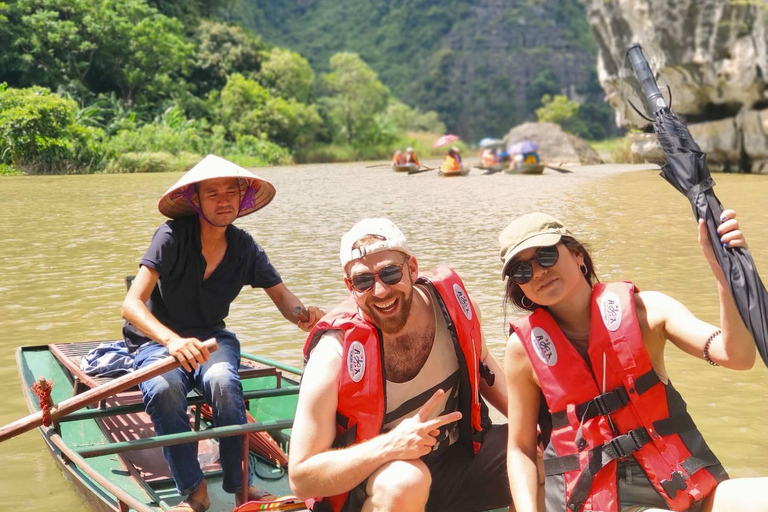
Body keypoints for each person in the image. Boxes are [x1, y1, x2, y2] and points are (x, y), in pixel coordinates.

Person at [499, 211, 768, 512]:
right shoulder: (521, 351)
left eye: (545, 256)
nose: (536, 272)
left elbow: (738, 356)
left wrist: (723, 272)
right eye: (522, 271)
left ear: (577, 255)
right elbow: (521, 448)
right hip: (596, 502)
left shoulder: (647, 311)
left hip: (682, 487)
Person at [121, 154, 323, 512]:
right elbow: (132, 305)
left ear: (243, 198)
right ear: (195, 200)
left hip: (213, 339)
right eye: (212, 193)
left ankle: (238, 486)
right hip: (159, 342)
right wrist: (172, 341)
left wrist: (305, 316)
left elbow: (281, 296)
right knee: (165, 388)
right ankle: (194, 491)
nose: (224, 199)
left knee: (223, 382)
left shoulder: (244, 247)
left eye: (231, 191)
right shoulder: (171, 236)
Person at [288, 218, 511, 512]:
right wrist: (392, 445)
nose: (380, 291)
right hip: (380, 487)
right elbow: (301, 478)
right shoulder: (334, 354)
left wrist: (538, 421)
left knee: (537, 445)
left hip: (457, 462)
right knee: (406, 481)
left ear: (413, 269)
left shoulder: (453, 308)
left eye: (390, 273)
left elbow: (483, 362)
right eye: (364, 281)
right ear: (350, 287)